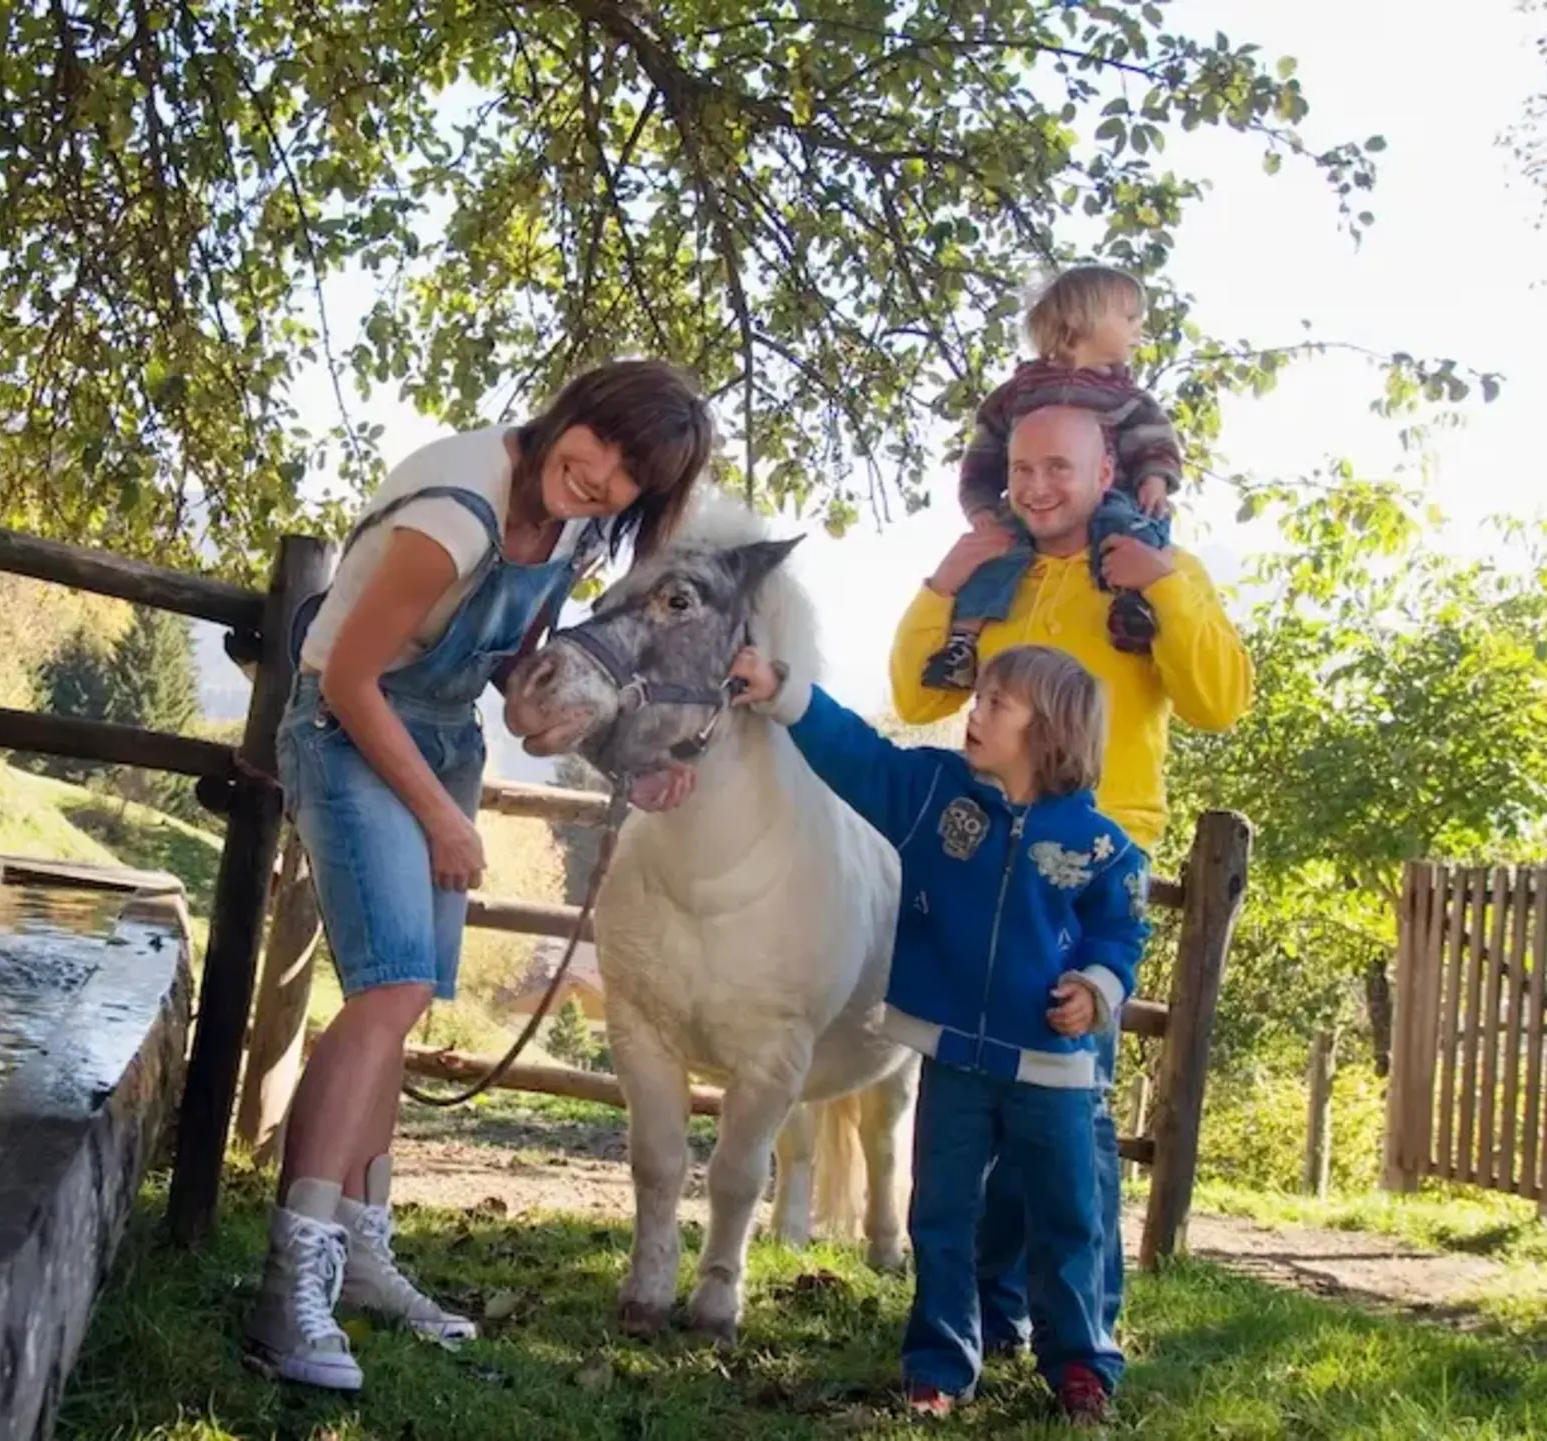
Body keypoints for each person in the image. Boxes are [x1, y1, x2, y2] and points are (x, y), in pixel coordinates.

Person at [243, 359, 713, 1393]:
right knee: (392, 987)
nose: (601, 480)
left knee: (399, 1001)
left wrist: (623, 751)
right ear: (571, 412)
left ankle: (361, 1254)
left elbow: (511, 671)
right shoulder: (454, 510)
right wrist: (441, 819)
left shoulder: (572, 528)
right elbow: (350, 677)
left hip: (441, 738)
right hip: (344, 729)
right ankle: (290, 1288)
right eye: (601, 447)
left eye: (631, 478)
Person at [889, 402, 1252, 1367]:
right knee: (984, 1096)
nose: (1038, 485)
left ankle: (1082, 1338)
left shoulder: (1154, 570)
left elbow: (1220, 699)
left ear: (1106, 475)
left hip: (1087, 866)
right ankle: (996, 1310)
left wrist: (1166, 589)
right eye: (1022, 466)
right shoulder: (996, 577)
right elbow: (915, 693)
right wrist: (946, 580)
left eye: (1061, 467)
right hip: (982, 858)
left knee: (1071, 1104)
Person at [729, 642, 1148, 1424]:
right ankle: (941, 1366)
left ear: (1049, 730)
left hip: (1052, 1074)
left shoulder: (1099, 848)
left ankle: (1082, 1365)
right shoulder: (933, 797)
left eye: (997, 704)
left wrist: (1097, 987)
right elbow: (858, 756)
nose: (974, 714)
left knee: (1066, 1219)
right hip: (951, 1058)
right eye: (978, 697)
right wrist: (783, 689)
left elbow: (1121, 932)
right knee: (942, 1214)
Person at [921, 264, 1183, 691]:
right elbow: (983, 457)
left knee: (1135, 529)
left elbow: (1155, 443)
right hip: (1029, 509)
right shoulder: (1015, 395)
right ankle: (963, 642)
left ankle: (1131, 609)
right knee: (994, 556)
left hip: (1110, 500)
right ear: (1084, 320)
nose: (1140, 329)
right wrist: (982, 507)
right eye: (1130, 318)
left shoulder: (1130, 399)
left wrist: (1155, 478)